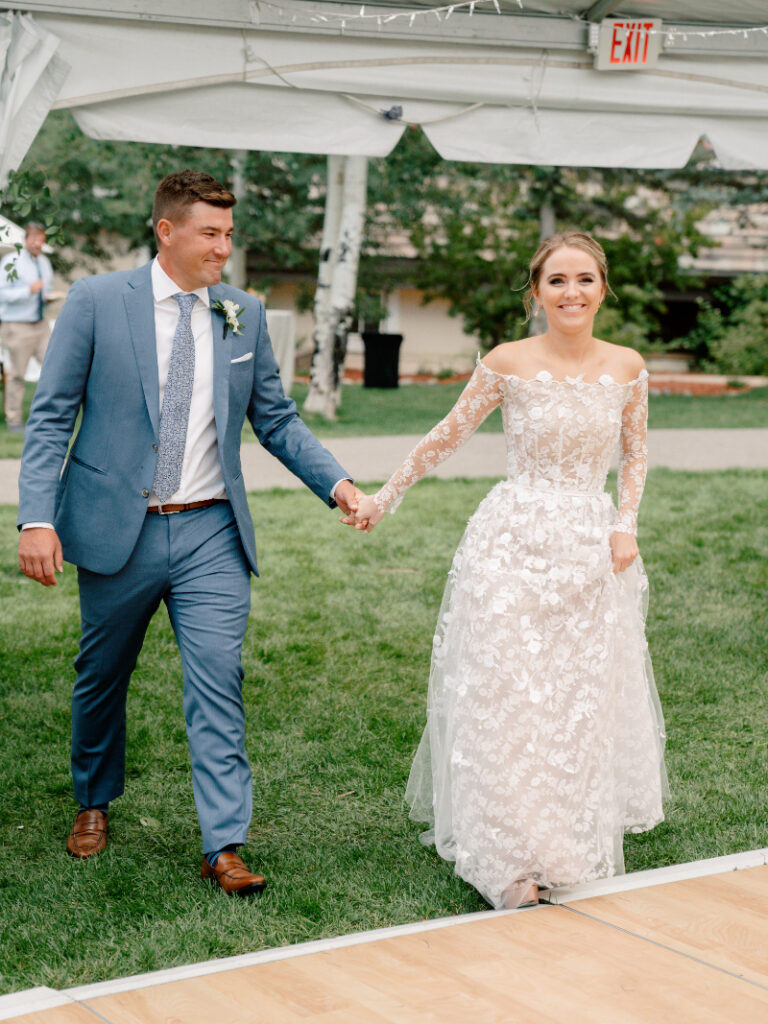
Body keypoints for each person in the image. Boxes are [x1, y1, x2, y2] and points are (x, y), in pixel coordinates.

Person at [17, 170, 364, 896]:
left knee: (218, 677)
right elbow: (50, 416)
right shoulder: (95, 301)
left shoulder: (242, 311)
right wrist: (37, 516)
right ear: (166, 231)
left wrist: (336, 484)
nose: (223, 249)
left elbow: (274, 418)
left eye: (229, 235)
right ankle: (92, 800)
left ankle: (224, 843)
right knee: (100, 677)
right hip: (121, 529)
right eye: (210, 233)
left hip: (211, 528)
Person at [350, 232, 668, 909]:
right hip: (509, 545)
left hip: (588, 547)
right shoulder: (507, 362)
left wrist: (625, 525)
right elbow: (446, 434)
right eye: (557, 281)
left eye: (585, 279)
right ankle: (505, 857)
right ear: (537, 291)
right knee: (509, 702)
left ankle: (562, 844)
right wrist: (385, 496)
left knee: (572, 704)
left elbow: (635, 456)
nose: (572, 292)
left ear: (603, 288)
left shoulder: (626, 368)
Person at [0, 222, 53, 433]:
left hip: (41, 325)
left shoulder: (45, 263)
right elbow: (2, 293)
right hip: (17, 326)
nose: (38, 243)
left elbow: (44, 289)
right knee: (17, 375)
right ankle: (13, 420)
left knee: (54, 368)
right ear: (26, 240)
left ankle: (49, 416)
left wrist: (46, 298)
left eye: (42, 239)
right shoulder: (10, 261)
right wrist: (28, 291)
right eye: (34, 238)